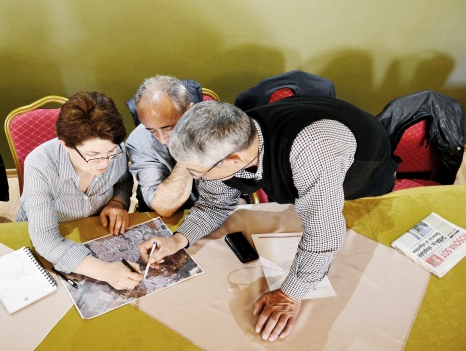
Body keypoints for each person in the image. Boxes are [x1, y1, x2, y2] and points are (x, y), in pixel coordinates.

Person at [139, 97, 397, 341]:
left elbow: (324, 234)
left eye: (198, 173)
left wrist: (289, 295)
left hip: (364, 175)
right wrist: (178, 240)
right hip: (312, 157)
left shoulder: (312, 151)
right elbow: (213, 204)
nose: (197, 179)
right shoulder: (230, 141)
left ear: (235, 160)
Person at [17, 91, 142, 291]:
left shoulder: (115, 149)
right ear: (65, 145)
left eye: (110, 153)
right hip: (45, 232)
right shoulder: (40, 163)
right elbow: (46, 241)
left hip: (93, 226)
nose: (105, 163)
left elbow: (123, 181)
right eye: (93, 155)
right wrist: (105, 272)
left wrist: (117, 202)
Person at [126, 75, 198, 216]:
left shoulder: (213, 126)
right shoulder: (138, 141)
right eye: (152, 131)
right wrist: (187, 153)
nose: (162, 139)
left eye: (168, 128)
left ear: (189, 112)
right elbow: (163, 206)